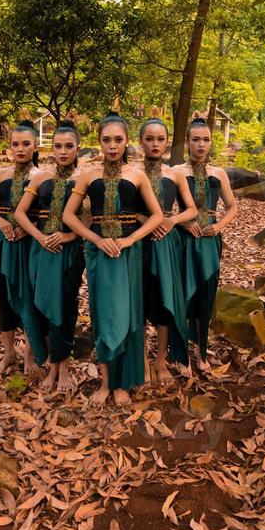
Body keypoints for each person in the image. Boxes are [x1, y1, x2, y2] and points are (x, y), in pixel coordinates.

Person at [62, 112, 163, 406]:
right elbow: (69, 215)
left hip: (130, 252)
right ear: (99, 142)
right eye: (106, 140)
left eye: (118, 140)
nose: (112, 146)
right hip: (99, 253)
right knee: (104, 314)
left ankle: (124, 383)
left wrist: (130, 239)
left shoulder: (137, 175)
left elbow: (157, 215)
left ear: (127, 142)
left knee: (130, 315)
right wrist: (95, 239)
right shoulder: (88, 175)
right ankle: (106, 383)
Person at [14, 120, 84, 394]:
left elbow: (89, 220)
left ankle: (61, 367)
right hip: (40, 250)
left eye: (69, 146)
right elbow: (20, 213)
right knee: (39, 302)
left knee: (65, 306)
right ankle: (45, 360)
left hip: (70, 251)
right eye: (58, 146)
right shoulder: (40, 178)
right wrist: (39, 236)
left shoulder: (85, 178)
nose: (63, 152)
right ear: (50, 148)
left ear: (78, 148)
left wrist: (69, 236)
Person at [0, 119, 43, 375]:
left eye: (26, 144)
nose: (21, 149)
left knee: (30, 297)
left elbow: (49, 212)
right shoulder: (0, 175)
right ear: (10, 147)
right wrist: (0, 221)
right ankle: (9, 353)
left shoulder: (43, 177)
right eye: (16, 144)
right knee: (4, 296)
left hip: (31, 243)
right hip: (3, 243)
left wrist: (29, 227)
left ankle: (31, 355)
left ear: (36, 146)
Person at [173, 117, 237, 371]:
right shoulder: (177, 171)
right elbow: (164, 210)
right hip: (184, 240)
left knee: (206, 295)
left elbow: (232, 207)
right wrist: (183, 223)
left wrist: (218, 226)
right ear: (188, 142)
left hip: (210, 243)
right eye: (196, 139)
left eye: (206, 140)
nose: (201, 145)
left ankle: (201, 353)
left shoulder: (218, 173)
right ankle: (180, 355)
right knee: (183, 296)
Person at [137, 117, 197, 381]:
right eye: (149, 139)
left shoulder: (175, 174)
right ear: (140, 142)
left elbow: (192, 209)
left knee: (164, 302)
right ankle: (141, 361)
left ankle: (161, 360)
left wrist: (171, 220)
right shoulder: (130, 172)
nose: (155, 144)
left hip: (166, 244)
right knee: (137, 301)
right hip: (137, 243)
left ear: (168, 141)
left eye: (160, 139)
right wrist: (146, 221)